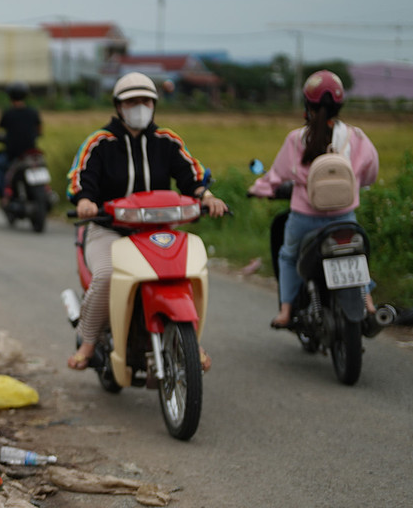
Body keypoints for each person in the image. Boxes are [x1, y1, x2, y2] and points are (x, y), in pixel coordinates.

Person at [65, 71, 228, 371]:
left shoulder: (167, 141)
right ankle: (87, 342)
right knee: (106, 276)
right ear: (118, 106)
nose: (139, 107)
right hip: (109, 229)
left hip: (158, 230)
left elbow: (190, 176)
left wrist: (206, 196)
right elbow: (81, 178)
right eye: (132, 101)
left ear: (154, 105)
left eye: (145, 101)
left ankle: (190, 340)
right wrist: (85, 201)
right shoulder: (100, 142)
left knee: (183, 273)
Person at [247, 69, 380, 329]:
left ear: (307, 105)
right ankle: (370, 304)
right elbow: (371, 172)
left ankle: (285, 312)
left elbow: (276, 176)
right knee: (356, 255)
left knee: (287, 256)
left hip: (304, 219)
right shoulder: (357, 137)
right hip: (344, 216)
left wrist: (258, 189)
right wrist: (355, 186)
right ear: (340, 105)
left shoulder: (297, 139)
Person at [0, 81, 41, 199]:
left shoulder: (7, 113)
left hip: (12, 154)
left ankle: (4, 196)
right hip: (31, 153)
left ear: (10, 96)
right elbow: (39, 131)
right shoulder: (33, 112)